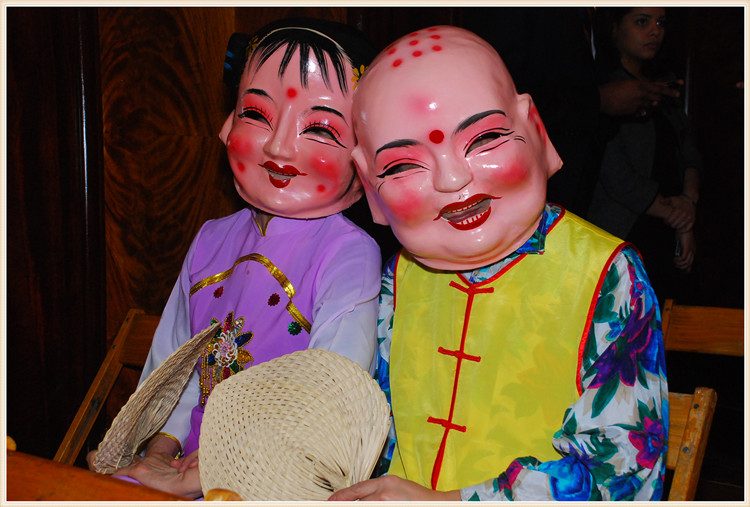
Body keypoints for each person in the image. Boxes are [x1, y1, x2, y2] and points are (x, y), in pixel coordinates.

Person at [329, 25, 668, 501]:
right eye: (403, 165)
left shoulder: (606, 275)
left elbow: (622, 475)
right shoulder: (398, 277)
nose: (452, 179)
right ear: (369, 183)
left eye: (485, 138)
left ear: (535, 129)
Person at [88, 17, 381, 498]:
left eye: (320, 129)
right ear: (227, 126)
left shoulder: (349, 253)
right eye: (257, 115)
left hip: (277, 476)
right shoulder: (211, 238)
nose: (280, 145)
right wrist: (160, 448)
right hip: (183, 464)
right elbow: (175, 368)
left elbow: (330, 400)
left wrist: (218, 470)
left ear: (363, 153)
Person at [462, 7, 683, 217]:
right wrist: (599, 101)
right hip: (531, 178)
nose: (654, 31)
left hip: (577, 183)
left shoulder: (586, 13)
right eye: (642, 21)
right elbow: (501, 92)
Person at [587, 7, 701, 301]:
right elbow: (613, 172)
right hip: (625, 229)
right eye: (642, 21)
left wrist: (688, 205)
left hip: (669, 226)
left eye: (660, 22)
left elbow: (688, 152)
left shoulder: (665, 84)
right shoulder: (602, 90)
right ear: (614, 28)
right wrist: (677, 216)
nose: (655, 31)